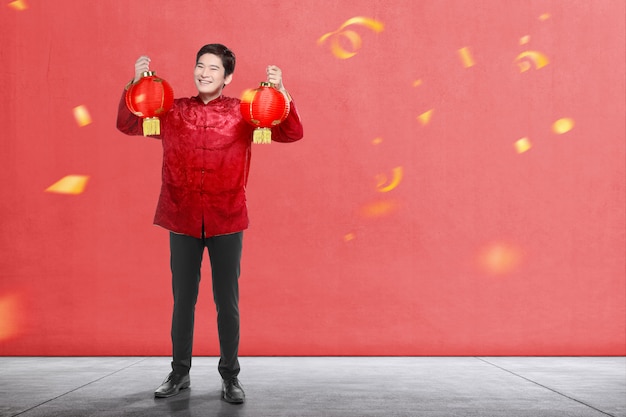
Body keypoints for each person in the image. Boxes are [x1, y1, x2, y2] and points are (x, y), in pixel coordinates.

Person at [116, 43, 304, 404]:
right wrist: (135, 83)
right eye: (200, 66)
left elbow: (290, 133)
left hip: (227, 217)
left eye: (213, 68)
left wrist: (282, 94)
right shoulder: (172, 110)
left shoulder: (244, 111)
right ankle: (179, 373)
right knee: (182, 301)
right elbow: (127, 124)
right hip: (182, 215)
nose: (204, 73)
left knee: (226, 302)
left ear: (228, 77)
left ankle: (230, 376)